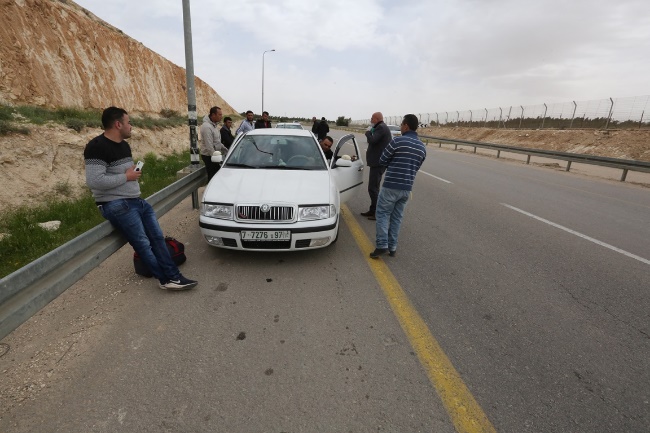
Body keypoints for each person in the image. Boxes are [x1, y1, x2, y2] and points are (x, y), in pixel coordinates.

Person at [84, 107, 198, 290]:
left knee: (157, 239)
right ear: (118, 124)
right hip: (116, 204)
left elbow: (124, 173)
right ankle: (166, 279)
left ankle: (174, 276)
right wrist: (126, 177)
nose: (131, 127)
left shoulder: (124, 145)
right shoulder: (96, 146)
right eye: (129, 122)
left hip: (136, 200)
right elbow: (94, 181)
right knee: (143, 244)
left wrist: (133, 174)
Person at [370, 114, 427, 259]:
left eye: (401, 125)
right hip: (406, 188)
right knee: (396, 218)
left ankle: (382, 245)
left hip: (391, 186)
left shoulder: (397, 141)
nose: (401, 127)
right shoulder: (422, 147)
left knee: (382, 214)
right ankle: (392, 247)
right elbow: (416, 167)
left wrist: (394, 164)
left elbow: (383, 159)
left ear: (406, 126)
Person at [361, 112, 392, 220]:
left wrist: (368, 133)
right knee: (374, 188)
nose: (371, 120)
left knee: (373, 189)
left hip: (378, 163)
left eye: (372, 118)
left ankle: (377, 213)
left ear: (377, 118)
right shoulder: (381, 127)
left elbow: (372, 140)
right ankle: (373, 210)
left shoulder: (381, 128)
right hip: (377, 163)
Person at [199, 106, 228, 182]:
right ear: (213, 115)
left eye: (221, 114)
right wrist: (216, 158)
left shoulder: (214, 125)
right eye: (219, 115)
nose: (221, 117)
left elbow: (217, 142)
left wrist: (226, 151)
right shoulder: (207, 127)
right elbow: (209, 147)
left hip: (215, 155)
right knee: (213, 178)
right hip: (209, 156)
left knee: (216, 177)